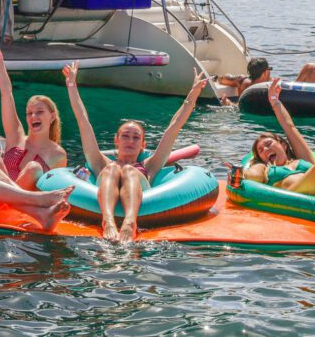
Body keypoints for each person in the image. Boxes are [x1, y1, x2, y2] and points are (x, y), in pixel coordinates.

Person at [63, 61, 208, 243]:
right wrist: (71, 85)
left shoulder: (151, 165)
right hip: (109, 179)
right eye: (125, 136)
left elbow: (174, 127)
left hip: (138, 190)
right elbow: (83, 121)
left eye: (136, 137)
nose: (130, 141)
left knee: (130, 170)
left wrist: (193, 94)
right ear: (116, 140)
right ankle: (107, 220)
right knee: (113, 170)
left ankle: (130, 222)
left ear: (143, 144)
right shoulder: (101, 162)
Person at [0, 28, 68, 189]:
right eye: (29, 113)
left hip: (23, 206)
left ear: (53, 116)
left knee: (34, 168)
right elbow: (6, 92)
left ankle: (13, 197)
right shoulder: (16, 136)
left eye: (40, 112)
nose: (33, 116)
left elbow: (52, 188)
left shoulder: (58, 154)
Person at [243, 78, 315, 199]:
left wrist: (275, 101)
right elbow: (254, 174)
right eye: (260, 150)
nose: (265, 149)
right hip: (296, 192)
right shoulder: (266, 168)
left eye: (268, 143)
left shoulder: (301, 160)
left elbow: (290, 127)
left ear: (283, 145)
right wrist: (241, 173)